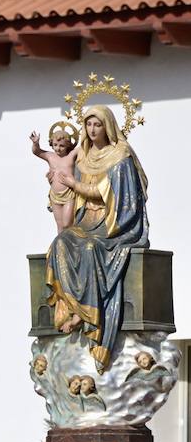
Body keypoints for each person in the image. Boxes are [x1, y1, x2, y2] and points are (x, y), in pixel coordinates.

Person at [46, 103, 150, 371]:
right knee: (60, 243)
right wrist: (56, 183)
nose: (92, 130)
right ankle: (72, 307)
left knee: (91, 247)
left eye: (98, 124)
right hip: (85, 221)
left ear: (108, 126)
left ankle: (91, 313)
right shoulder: (83, 156)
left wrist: (75, 185)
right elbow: (69, 188)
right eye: (88, 124)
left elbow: (119, 195)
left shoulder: (121, 155)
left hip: (114, 223)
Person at [29, 122, 79, 231]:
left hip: (69, 194)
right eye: (55, 145)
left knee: (67, 223)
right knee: (60, 224)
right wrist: (36, 143)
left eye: (62, 146)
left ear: (68, 145)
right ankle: (61, 247)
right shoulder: (50, 156)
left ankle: (71, 245)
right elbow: (37, 152)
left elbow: (84, 148)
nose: (58, 148)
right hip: (55, 196)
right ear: (51, 143)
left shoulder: (71, 156)